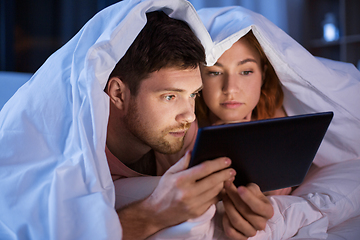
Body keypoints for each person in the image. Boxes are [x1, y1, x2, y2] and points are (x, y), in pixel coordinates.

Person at [0, 1, 273, 240]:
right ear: (118, 93)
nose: (189, 115)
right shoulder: (59, 152)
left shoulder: (181, 131)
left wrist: (245, 209)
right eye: (169, 96)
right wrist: (153, 214)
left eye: (193, 95)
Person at [195, 6, 360, 240]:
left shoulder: (278, 122)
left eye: (245, 71)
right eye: (214, 72)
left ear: (263, 74)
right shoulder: (185, 127)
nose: (230, 89)